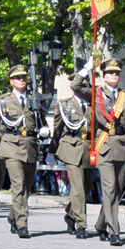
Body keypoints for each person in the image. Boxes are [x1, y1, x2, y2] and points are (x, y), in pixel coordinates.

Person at [71, 58, 125, 246]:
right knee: (109, 189)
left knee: (116, 191)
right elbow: (75, 85)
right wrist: (87, 67)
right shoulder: (95, 94)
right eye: (110, 73)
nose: (114, 76)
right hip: (104, 147)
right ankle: (114, 232)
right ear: (104, 76)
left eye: (117, 73)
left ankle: (101, 224)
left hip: (123, 146)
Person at [0, 66, 48, 238]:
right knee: (17, 185)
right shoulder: (3, 101)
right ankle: (22, 224)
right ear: (11, 81)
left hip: (30, 146)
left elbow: (40, 121)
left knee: (27, 186)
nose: (21, 80)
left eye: (24, 77)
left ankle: (13, 215)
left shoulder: (34, 100)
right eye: (17, 78)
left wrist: (45, 130)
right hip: (11, 145)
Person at [52, 82, 95, 239]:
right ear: (73, 89)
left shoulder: (95, 105)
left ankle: (70, 214)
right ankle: (81, 224)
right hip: (71, 148)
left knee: (87, 187)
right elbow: (57, 129)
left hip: (90, 149)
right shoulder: (65, 105)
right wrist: (52, 151)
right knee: (78, 188)